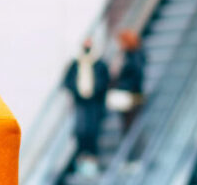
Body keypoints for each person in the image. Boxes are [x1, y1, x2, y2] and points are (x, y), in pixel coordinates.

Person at [62, 38, 110, 175]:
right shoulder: (76, 63)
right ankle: (83, 159)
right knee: (81, 131)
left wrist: (94, 91)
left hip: (94, 102)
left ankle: (92, 159)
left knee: (92, 130)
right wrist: (78, 91)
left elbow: (105, 80)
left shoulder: (99, 63)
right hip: (80, 102)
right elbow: (68, 81)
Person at [111, 28, 146, 136]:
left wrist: (123, 85)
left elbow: (136, 75)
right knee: (126, 122)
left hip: (131, 94)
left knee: (130, 123)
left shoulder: (134, 57)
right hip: (125, 93)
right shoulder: (126, 56)